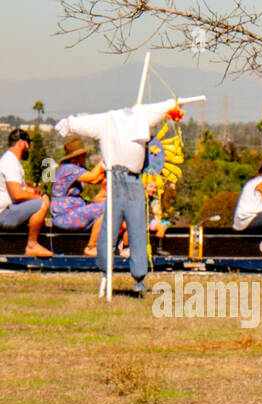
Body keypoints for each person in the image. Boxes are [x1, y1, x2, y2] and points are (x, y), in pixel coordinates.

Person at [56, 99, 181, 290]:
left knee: (135, 227)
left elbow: (162, 108)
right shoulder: (118, 120)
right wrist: (70, 124)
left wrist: (173, 104)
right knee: (113, 225)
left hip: (130, 179)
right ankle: (107, 265)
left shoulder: (139, 116)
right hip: (118, 179)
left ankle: (137, 275)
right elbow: (87, 125)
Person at [0, 129, 53, 257]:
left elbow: (23, 188)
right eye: (28, 143)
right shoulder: (10, 162)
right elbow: (18, 194)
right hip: (4, 214)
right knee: (42, 203)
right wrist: (40, 198)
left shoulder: (10, 160)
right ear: (21, 143)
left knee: (41, 199)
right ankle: (32, 244)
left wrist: (38, 192)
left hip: (9, 210)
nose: (28, 147)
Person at [50, 136, 105, 257]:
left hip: (70, 211)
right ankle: (91, 246)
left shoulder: (75, 169)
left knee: (105, 208)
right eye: (83, 155)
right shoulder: (68, 169)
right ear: (76, 157)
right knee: (106, 208)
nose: (85, 157)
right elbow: (92, 176)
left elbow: (95, 180)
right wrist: (105, 158)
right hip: (65, 214)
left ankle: (95, 244)